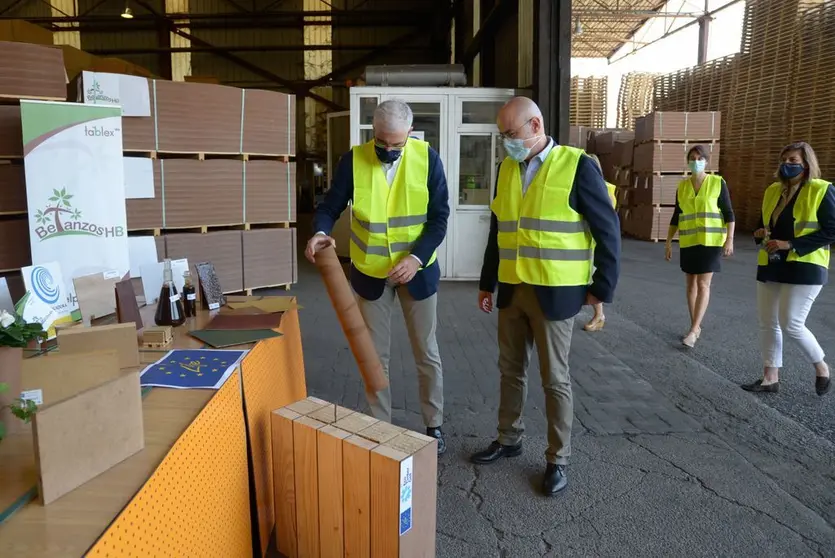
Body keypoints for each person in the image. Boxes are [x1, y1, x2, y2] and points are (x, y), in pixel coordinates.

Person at [471, 97, 620, 496]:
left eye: (511, 134)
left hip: (556, 292)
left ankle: (558, 458)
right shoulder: (507, 168)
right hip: (513, 288)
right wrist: (487, 282)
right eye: (502, 135)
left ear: (535, 126)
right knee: (510, 370)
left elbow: (607, 229)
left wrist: (601, 289)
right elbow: (498, 230)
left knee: (554, 378)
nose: (506, 142)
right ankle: (508, 438)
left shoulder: (577, 165)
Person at [305, 99, 451, 453]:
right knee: (373, 356)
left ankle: (434, 425)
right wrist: (320, 231)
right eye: (381, 141)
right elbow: (330, 206)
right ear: (373, 131)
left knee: (426, 352)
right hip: (370, 274)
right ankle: (380, 427)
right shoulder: (353, 161)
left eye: (395, 143)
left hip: (417, 272)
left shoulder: (428, 159)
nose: (387, 149)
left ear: (410, 133)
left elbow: (439, 219)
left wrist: (416, 258)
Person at [741, 141, 833, 397]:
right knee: (767, 322)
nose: (787, 164)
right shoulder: (773, 190)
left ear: (806, 164)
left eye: (793, 160)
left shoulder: (821, 189)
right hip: (772, 263)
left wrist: (790, 244)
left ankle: (822, 366)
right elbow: (762, 224)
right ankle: (770, 378)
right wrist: (760, 234)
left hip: (805, 264)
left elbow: (832, 230)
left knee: (791, 323)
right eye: (784, 160)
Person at [664, 145, 735, 348]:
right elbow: (677, 215)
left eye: (699, 158)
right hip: (689, 241)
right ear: (688, 162)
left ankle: (694, 329)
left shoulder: (717, 183)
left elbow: (729, 213)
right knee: (690, 285)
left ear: (706, 161)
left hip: (711, 241)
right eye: (692, 158)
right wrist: (668, 241)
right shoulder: (682, 186)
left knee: (703, 284)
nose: (696, 162)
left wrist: (729, 239)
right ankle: (694, 324)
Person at [584, 153, 617, 332]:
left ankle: (599, 315)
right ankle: (598, 315)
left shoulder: (604, 189)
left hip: (594, 243)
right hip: (584, 242)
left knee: (592, 277)